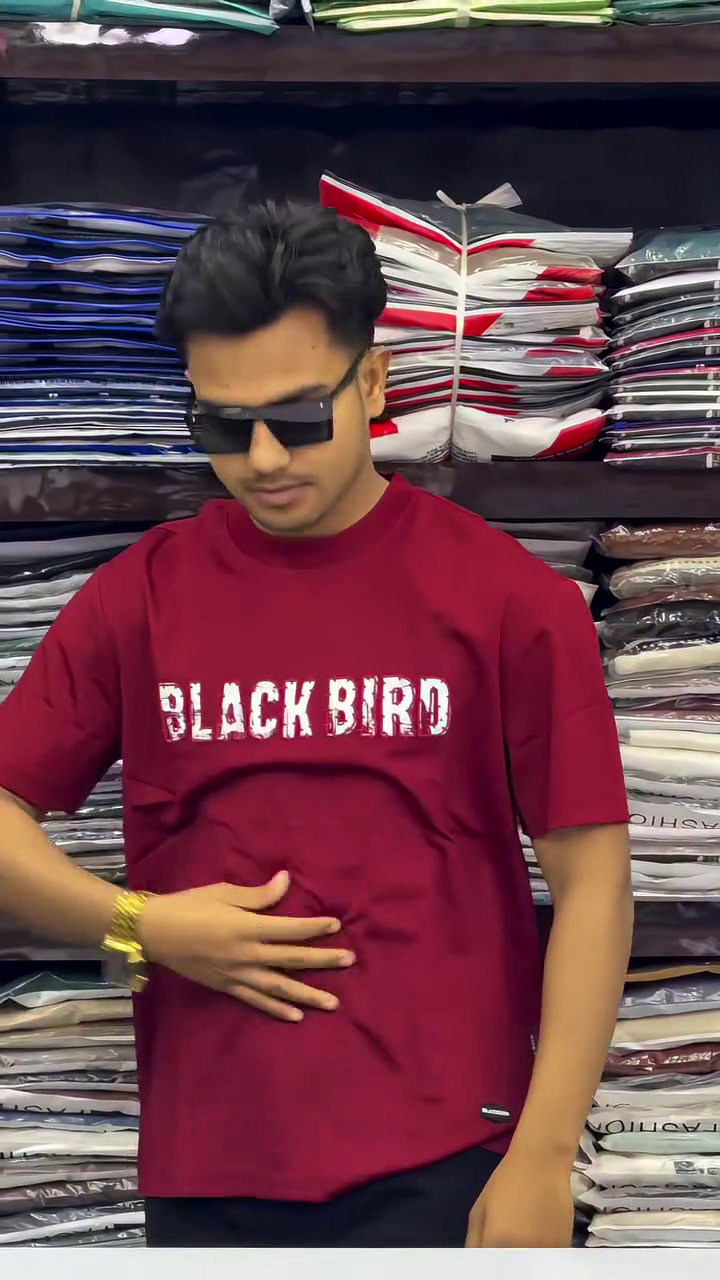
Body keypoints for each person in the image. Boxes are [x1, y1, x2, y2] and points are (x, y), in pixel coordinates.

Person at [0, 201, 632, 1249]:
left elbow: (596, 884)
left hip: (449, 1155)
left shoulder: (508, 599)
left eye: (297, 417)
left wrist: (544, 1154)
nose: (260, 458)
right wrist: (139, 924)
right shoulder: (141, 596)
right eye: (221, 425)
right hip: (209, 1159)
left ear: (373, 383)